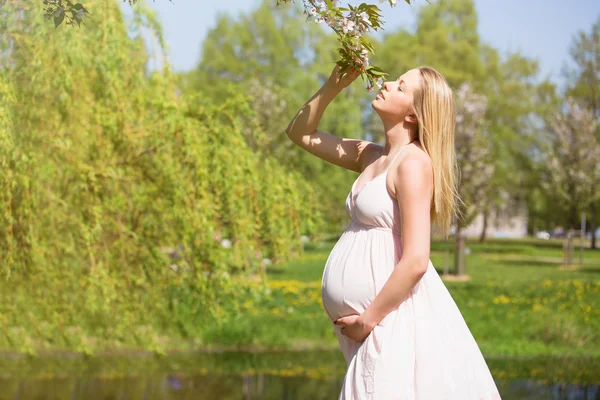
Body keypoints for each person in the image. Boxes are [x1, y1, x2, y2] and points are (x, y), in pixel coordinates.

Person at [285, 65, 502, 399]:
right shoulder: (370, 156)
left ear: (414, 114)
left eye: (400, 86)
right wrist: (332, 85)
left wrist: (367, 320)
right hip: (373, 329)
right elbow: (300, 132)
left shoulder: (413, 164)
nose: (386, 84)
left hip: (390, 323)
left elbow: (416, 259)